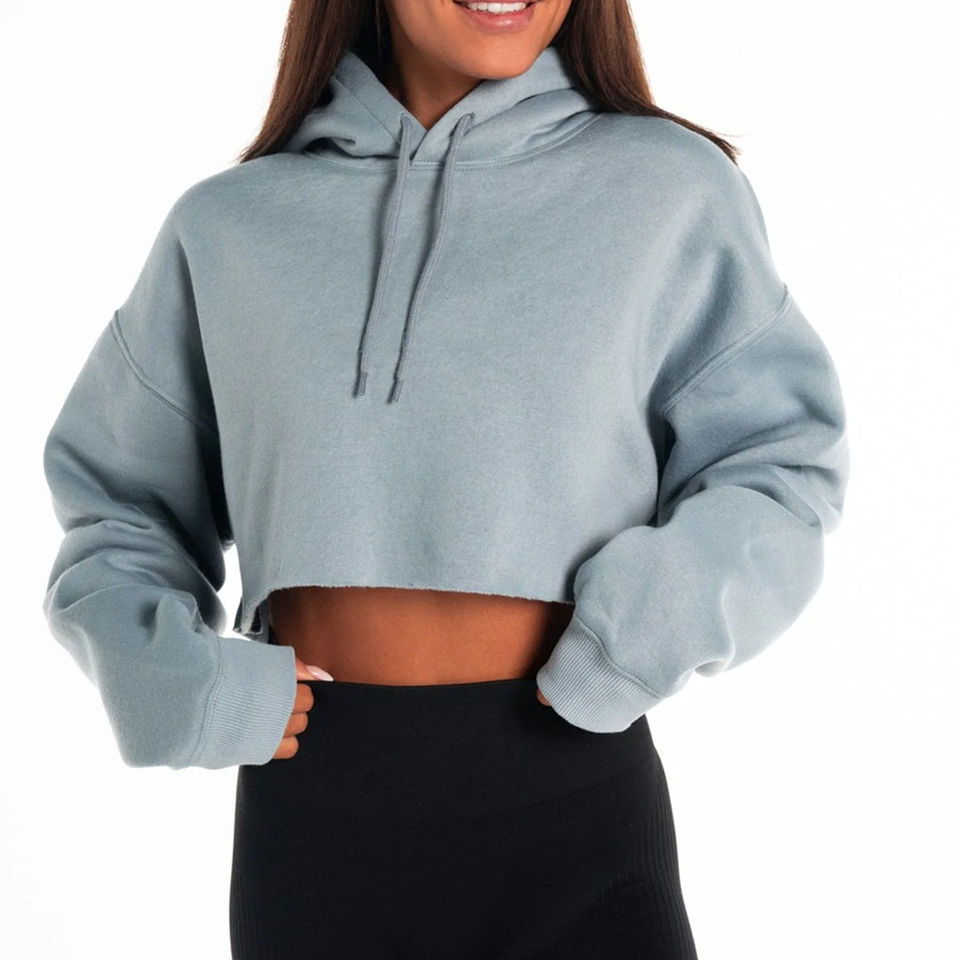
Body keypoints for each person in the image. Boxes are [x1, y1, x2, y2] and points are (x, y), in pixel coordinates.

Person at [40, 1, 850, 957]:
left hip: (571, 801)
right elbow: (119, 501)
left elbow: (779, 460)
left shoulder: (668, 189)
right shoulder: (229, 226)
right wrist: (174, 681)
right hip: (314, 826)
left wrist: (639, 637)